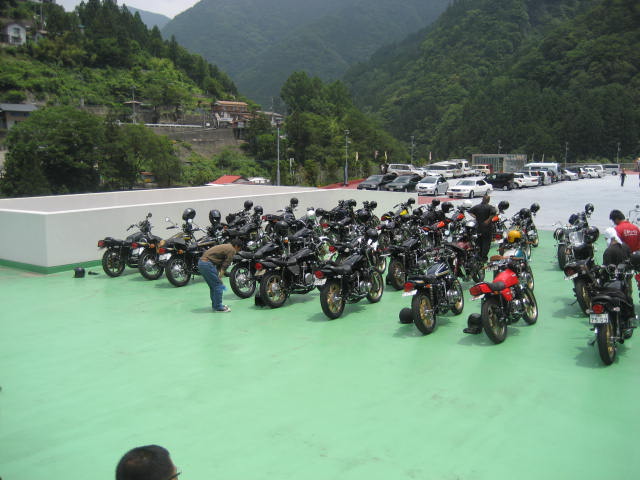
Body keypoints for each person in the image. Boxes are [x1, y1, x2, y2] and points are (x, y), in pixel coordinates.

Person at [198, 238, 243, 312]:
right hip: (207, 264)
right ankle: (218, 307)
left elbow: (219, 262)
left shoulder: (226, 246)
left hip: (202, 263)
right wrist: (220, 276)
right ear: (236, 246)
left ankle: (215, 305)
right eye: (239, 249)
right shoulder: (231, 249)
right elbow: (226, 264)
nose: (238, 251)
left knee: (213, 286)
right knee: (218, 286)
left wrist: (219, 275)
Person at [469, 195, 497, 261]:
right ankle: (484, 257)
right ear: (488, 200)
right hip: (487, 228)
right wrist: (488, 220)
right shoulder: (490, 207)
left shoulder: (477, 207)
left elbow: (470, 211)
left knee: (479, 242)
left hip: (479, 227)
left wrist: (475, 216)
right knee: (486, 243)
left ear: (482, 199)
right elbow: (494, 213)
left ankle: (479, 255)